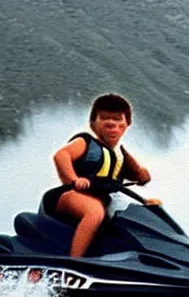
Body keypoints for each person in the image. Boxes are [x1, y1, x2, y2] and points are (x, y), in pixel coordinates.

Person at [53, 93, 160, 257]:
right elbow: (61, 155)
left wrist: (143, 176)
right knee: (95, 213)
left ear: (126, 124)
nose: (112, 124)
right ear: (93, 123)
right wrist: (75, 179)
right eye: (105, 118)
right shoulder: (85, 142)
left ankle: (151, 257)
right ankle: (75, 260)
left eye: (118, 119)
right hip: (74, 195)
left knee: (149, 212)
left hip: (105, 198)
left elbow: (139, 174)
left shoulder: (120, 153)